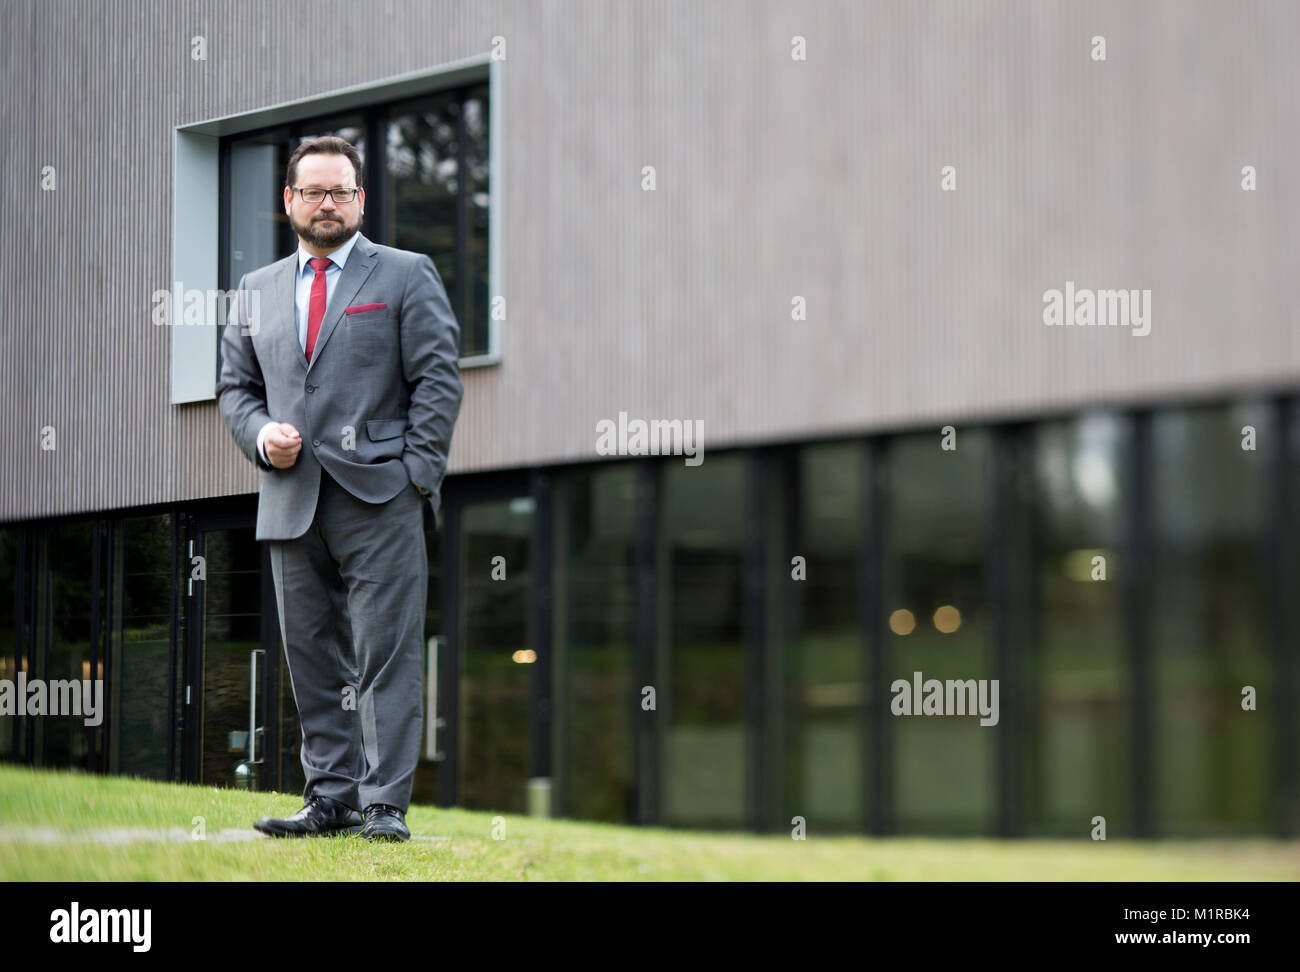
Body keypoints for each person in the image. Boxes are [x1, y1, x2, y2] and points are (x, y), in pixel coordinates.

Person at [216, 135, 463, 842]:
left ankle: (383, 805)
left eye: (343, 192)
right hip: (291, 500)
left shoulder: (406, 274)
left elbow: (439, 382)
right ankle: (331, 797)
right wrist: (263, 437)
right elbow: (236, 388)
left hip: (381, 497)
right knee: (312, 657)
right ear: (289, 201)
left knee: (386, 654)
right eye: (316, 192)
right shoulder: (255, 290)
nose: (330, 204)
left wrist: (418, 474)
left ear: (360, 199)